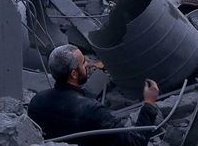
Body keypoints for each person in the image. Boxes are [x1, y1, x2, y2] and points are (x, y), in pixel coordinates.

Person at [27, 44, 160, 145]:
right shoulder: (91, 110)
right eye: (83, 62)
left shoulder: (36, 102)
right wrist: (149, 103)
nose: (88, 64)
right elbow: (134, 142)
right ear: (73, 74)